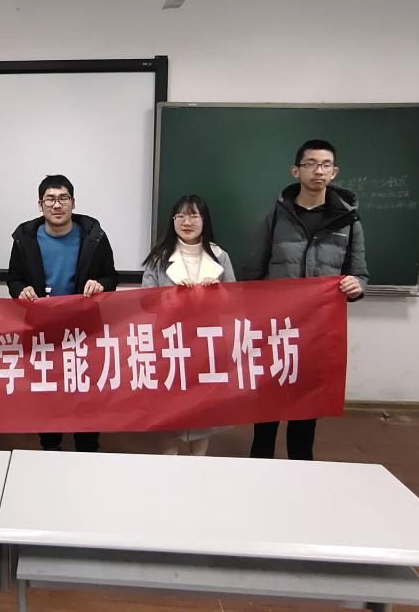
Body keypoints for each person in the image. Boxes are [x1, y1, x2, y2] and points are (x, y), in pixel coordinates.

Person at [242, 139, 369, 460]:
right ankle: (260, 463)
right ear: (295, 171)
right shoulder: (276, 215)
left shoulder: (348, 221)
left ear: (334, 172)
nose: (318, 171)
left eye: (325, 165)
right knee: (268, 401)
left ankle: (301, 465)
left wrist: (357, 286)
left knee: (306, 403)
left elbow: (359, 273)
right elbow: (253, 270)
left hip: (317, 329)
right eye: (310, 164)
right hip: (275, 327)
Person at [7, 174, 118, 453]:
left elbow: (111, 277)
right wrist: (21, 291)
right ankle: (51, 445)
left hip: (84, 330)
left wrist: (100, 284)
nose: (57, 205)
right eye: (50, 199)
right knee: (47, 390)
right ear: (40, 205)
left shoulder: (94, 237)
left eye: (63, 198)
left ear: (73, 202)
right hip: (42, 330)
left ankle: (87, 447)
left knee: (86, 389)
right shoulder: (24, 239)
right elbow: (14, 279)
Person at [142, 194, 235, 456]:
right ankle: (169, 458)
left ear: (204, 220)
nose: (187, 221)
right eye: (180, 215)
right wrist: (170, 296)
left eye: (194, 215)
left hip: (207, 343)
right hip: (169, 342)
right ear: (172, 220)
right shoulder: (159, 258)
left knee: (204, 404)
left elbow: (234, 300)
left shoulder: (220, 256)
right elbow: (145, 301)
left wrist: (217, 293)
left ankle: (198, 460)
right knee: (169, 406)